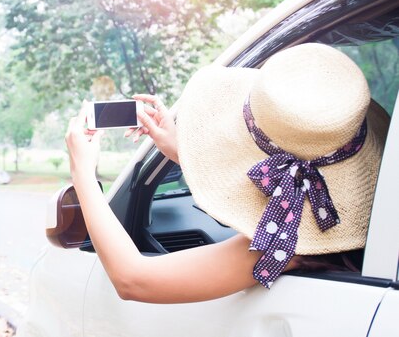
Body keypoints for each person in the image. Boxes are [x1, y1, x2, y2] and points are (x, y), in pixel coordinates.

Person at [64, 43, 389, 303]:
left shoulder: (283, 240)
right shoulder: (377, 225)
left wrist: (82, 170)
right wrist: (182, 149)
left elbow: (133, 280)